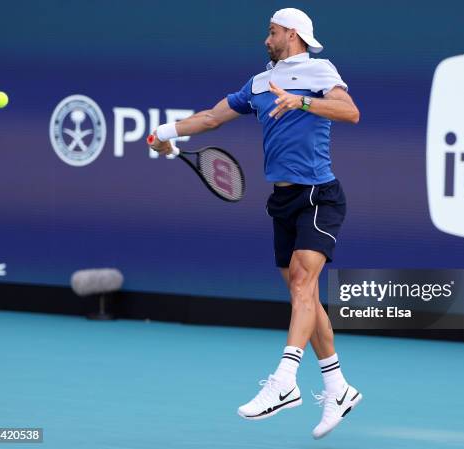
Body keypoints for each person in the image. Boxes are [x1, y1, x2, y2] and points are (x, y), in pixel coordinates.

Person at [149, 7, 361, 439]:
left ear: (294, 34)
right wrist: (165, 133)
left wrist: (301, 100)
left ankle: (285, 381)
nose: (266, 39)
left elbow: (350, 112)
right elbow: (210, 117)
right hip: (282, 200)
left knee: (303, 285)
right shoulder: (259, 82)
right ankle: (338, 387)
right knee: (304, 294)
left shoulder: (319, 69)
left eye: (272, 32)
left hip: (318, 195)